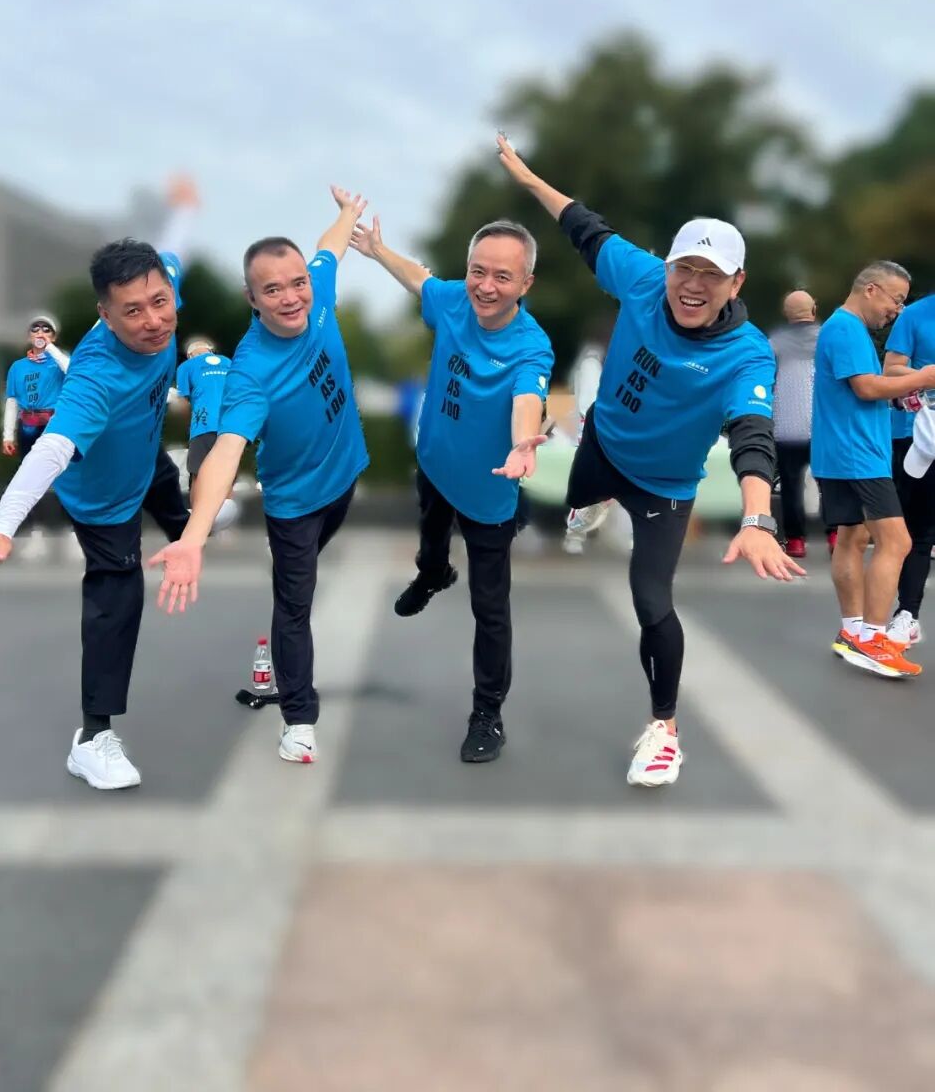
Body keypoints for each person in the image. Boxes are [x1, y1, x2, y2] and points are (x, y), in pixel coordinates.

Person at [496, 133, 802, 788]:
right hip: (604, 446)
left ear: (736, 283)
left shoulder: (746, 354)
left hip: (665, 485)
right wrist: (528, 178)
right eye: (685, 268)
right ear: (666, 267)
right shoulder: (639, 279)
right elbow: (583, 227)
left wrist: (757, 518)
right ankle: (589, 509)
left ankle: (664, 730)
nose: (693, 285)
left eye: (711, 274)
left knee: (651, 600)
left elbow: (753, 436)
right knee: (578, 502)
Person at [0, 237, 192, 790]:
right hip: (103, 497)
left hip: (143, 456)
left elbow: (175, 249)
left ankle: (193, 529)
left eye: (160, 302)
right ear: (105, 315)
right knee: (118, 594)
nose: (154, 321)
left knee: (176, 501)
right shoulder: (95, 375)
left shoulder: (162, 280)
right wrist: (0, 527)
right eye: (133, 312)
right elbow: (51, 449)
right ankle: (93, 739)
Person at [148, 187, 370, 766]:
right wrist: (193, 536)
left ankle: (281, 635)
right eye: (273, 290)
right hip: (294, 503)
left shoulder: (318, 289)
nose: (291, 297)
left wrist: (348, 214)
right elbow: (226, 452)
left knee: (297, 584)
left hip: (345, 475)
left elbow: (329, 248)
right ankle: (298, 720)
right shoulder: (250, 372)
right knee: (295, 604)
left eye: (297, 283)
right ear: (252, 299)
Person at [349, 214, 554, 762]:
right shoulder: (454, 301)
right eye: (477, 271)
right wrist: (378, 250)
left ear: (526, 283)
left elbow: (527, 398)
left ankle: (488, 714)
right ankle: (433, 572)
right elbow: (421, 280)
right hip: (437, 463)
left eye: (502, 277)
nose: (485, 286)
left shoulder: (531, 346)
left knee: (490, 609)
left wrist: (522, 444)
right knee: (431, 538)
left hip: (490, 493)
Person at [812, 262, 935, 677]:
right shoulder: (846, 329)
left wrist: (900, 393)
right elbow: (867, 387)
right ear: (871, 290)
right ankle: (875, 640)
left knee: (853, 537)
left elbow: (865, 389)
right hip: (858, 454)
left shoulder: (842, 327)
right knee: (897, 542)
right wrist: (922, 378)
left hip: (843, 452)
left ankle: (853, 632)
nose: (897, 310)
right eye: (896, 300)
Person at [882, 288, 935, 648]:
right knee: (918, 530)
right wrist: (927, 376)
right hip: (920, 437)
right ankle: (907, 614)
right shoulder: (916, 315)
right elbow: (891, 369)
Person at [768, 290, 823, 558]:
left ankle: (796, 540)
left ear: (786, 313)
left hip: (787, 425)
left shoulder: (775, 342)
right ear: (813, 310)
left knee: (791, 485)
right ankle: (836, 534)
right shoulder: (827, 338)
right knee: (831, 482)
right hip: (823, 425)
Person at [3, 315, 67, 461]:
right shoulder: (17, 367)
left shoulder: (60, 361)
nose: (40, 333)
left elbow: (71, 371)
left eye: (46, 330)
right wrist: (8, 436)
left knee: (53, 467)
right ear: (29, 337)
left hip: (53, 425)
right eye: (35, 329)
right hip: (27, 427)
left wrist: (50, 347)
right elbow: (12, 402)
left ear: (54, 337)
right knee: (28, 468)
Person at [172, 335, 232, 489]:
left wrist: (185, 425)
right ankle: (228, 504)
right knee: (226, 475)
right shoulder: (228, 362)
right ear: (210, 350)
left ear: (190, 354)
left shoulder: (186, 366)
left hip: (203, 425)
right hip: (230, 426)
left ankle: (199, 505)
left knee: (198, 473)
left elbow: (182, 402)